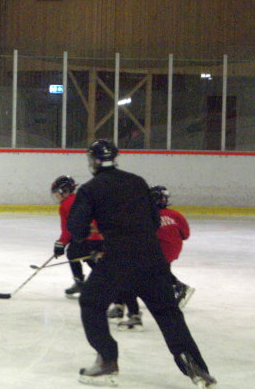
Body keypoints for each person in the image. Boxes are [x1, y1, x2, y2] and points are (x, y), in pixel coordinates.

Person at [66, 139, 216, 388]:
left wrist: (97, 237)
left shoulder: (90, 189)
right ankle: (197, 369)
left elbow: (76, 228)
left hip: (118, 260)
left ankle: (107, 361)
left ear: (92, 161)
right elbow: (155, 222)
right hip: (153, 259)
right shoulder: (137, 181)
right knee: (169, 313)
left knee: (91, 302)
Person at [109, 185, 196, 332]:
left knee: (130, 276)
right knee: (159, 273)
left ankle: (128, 310)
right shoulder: (176, 215)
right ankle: (173, 293)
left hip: (157, 253)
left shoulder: (148, 216)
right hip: (172, 252)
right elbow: (185, 235)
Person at [51, 175, 103, 298]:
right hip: (100, 236)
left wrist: (61, 243)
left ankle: (82, 282)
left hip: (88, 237)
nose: (56, 196)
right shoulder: (81, 199)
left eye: (56, 193)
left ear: (64, 191)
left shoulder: (65, 205)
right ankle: (102, 281)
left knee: (74, 253)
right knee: (90, 257)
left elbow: (68, 229)